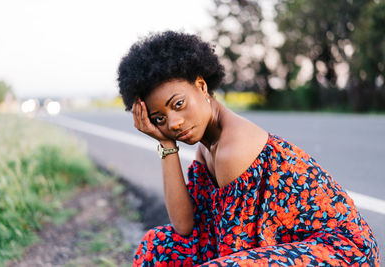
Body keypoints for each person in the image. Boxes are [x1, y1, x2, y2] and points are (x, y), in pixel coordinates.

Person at [117, 31, 379, 266]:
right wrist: (165, 144)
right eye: (159, 118)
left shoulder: (233, 149)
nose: (174, 123)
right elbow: (185, 227)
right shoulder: (207, 146)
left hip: (339, 254)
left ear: (201, 86)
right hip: (286, 248)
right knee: (158, 246)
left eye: (178, 104)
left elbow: (235, 252)